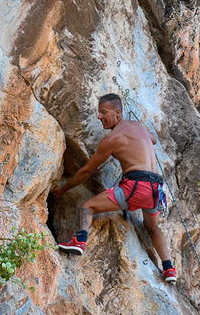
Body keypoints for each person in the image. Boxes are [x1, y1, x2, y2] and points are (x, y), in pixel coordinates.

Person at [51, 93, 177, 282]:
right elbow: (153, 139)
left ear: (117, 113)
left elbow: (86, 171)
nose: (99, 117)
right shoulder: (139, 127)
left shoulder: (113, 139)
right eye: (98, 113)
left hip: (136, 187)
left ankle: (80, 240)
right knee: (153, 227)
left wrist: (63, 189)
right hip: (156, 190)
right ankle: (168, 269)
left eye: (103, 112)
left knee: (87, 207)